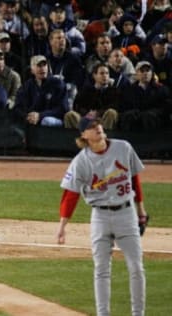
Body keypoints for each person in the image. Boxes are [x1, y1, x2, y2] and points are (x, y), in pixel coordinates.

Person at [57, 116, 147, 316]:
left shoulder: (123, 148)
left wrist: (141, 211)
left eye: (97, 124)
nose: (97, 127)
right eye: (90, 127)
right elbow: (70, 195)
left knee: (136, 267)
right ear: (84, 135)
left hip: (126, 213)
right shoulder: (81, 161)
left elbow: (134, 179)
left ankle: (138, 314)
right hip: (99, 217)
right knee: (101, 270)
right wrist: (62, 226)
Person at [13, 55, 68, 126]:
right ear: (32, 70)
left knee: (46, 121)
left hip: (54, 119)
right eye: (39, 66)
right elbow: (17, 107)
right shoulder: (26, 86)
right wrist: (27, 116)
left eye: (44, 65)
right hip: (31, 120)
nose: (42, 68)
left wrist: (40, 115)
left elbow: (63, 108)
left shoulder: (57, 83)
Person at [65, 63, 122, 130]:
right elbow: (77, 106)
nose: (105, 76)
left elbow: (116, 106)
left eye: (107, 73)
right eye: (102, 73)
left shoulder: (114, 91)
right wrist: (88, 113)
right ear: (94, 75)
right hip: (86, 119)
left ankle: (105, 138)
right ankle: (80, 139)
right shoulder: (86, 90)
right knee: (70, 115)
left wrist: (98, 113)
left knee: (111, 112)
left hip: (103, 119)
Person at [120, 60, 172, 131]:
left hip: (154, 120)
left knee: (148, 116)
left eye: (148, 70)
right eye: (142, 71)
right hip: (134, 119)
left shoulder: (161, 89)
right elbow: (124, 106)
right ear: (136, 74)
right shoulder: (128, 90)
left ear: (152, 73)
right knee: (129, 116)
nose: (145, 73)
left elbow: (165, 108)